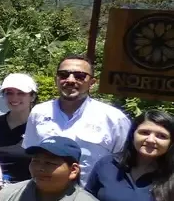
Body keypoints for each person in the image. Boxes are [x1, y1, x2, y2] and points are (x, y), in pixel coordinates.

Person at [23, 54, 131, 187]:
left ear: (92, 82)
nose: (70, 80)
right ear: (56, 79)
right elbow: (32, 155)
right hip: (44, 193)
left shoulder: (114, 119)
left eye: (79, 76)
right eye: (63, 74)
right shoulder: (39, 112)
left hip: (93, 197)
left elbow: (124, 162)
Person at [0, 73, 37, 184]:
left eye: (21, 93)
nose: (14, 98)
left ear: (32, 97)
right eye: (9, 93)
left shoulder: (39, 127)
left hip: (25, 191)